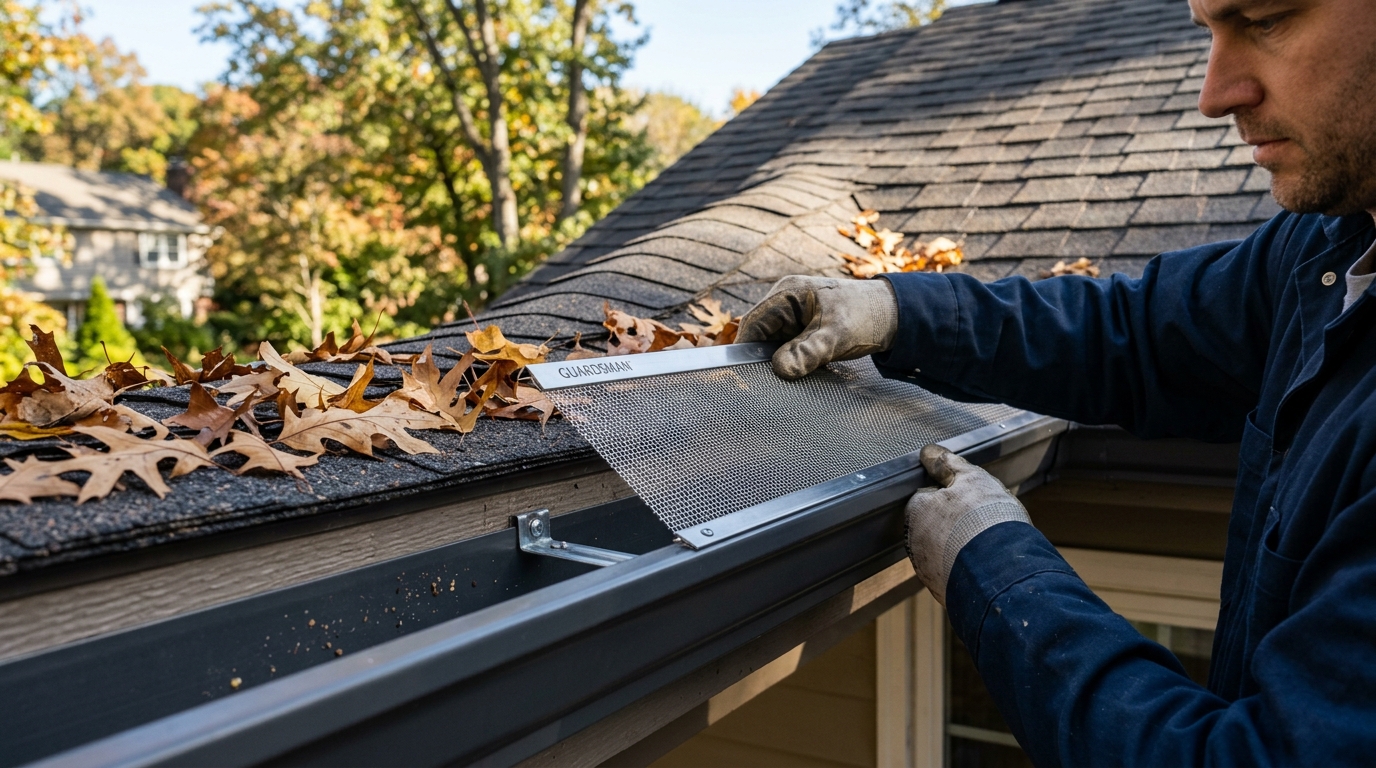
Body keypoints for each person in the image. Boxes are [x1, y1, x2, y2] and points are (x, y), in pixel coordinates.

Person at [737, 0, 1376, 764]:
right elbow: (1138, 334)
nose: (1214, 93)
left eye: (1267, 19)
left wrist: (999, 571)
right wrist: (896, 310)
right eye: (1210, 31)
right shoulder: (1332, 250)